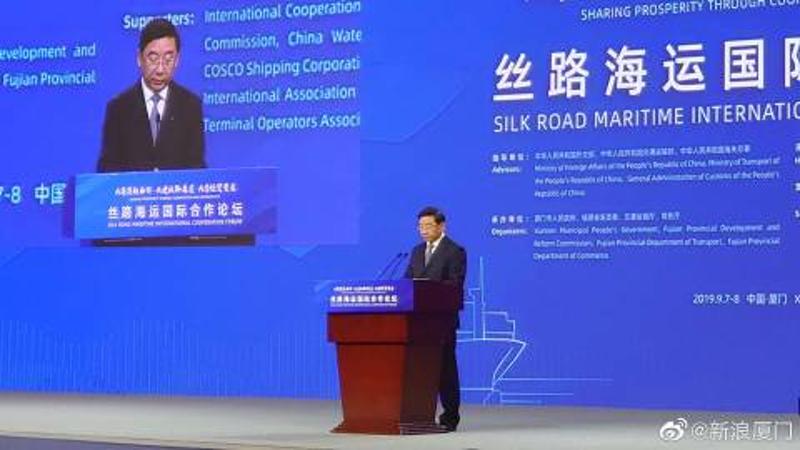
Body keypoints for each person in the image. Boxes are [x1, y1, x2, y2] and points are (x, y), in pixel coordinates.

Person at [97, 18, 205, 172]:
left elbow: (197, 169)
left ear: (177, 60)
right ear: (139, 58)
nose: (160, 69)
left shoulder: (190, 106)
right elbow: (108, 170)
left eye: (168, 59)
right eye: (153, 59)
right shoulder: (119, 109)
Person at [404, 206, 467, 432]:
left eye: (428, 225)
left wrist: (428, 289)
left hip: (442, 322)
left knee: (445, 369)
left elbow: (454, 285)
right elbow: (406, 283)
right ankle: (418, 414)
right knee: (419, 369)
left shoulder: (455, 251)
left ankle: (450, 416)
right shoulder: (416, 251)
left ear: (442, 226)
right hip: (416, 322)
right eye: (420, 226)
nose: (423, 230)